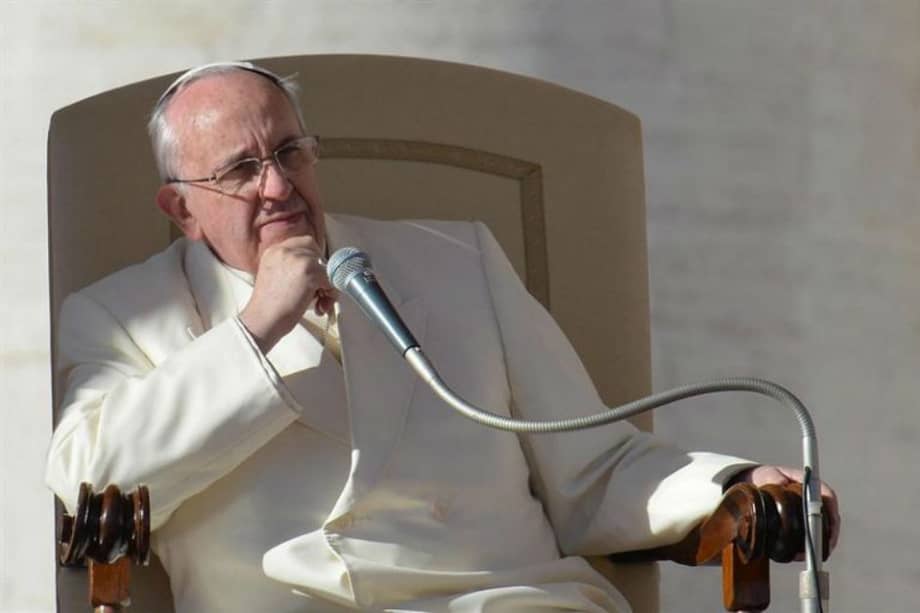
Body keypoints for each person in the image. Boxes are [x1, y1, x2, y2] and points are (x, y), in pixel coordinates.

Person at [45, 61, 838, 612]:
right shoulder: (121, 314)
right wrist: (261, 326)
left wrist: (736, 481)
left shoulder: (458, 259)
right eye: (241, 170)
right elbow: (88, 477)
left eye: (290, 151)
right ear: (181, 209)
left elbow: (594, 468)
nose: (279, 186)